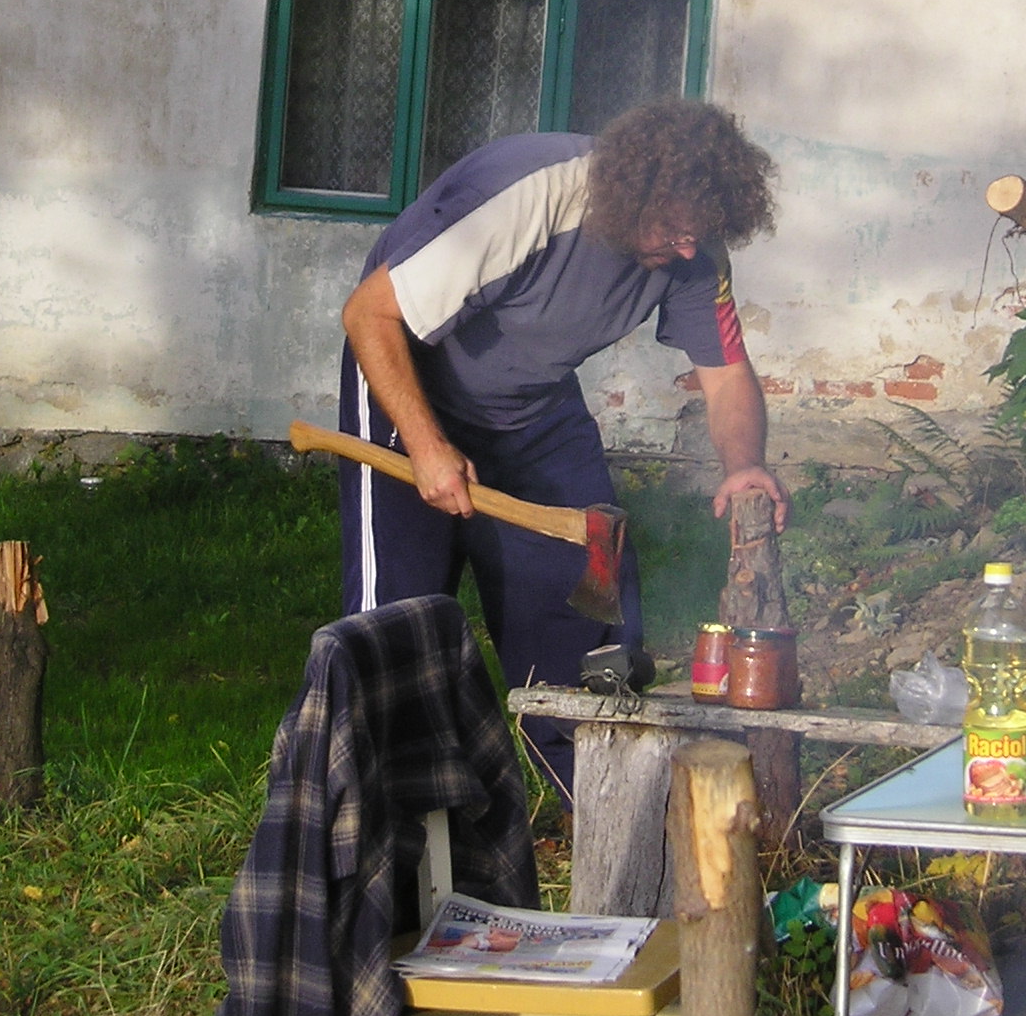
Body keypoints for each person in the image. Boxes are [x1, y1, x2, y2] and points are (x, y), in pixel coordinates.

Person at [337, 98, 789, 795]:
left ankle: (600, 806)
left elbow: (727, 373)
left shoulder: (695, 245)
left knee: (590, 595)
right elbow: (368, 313)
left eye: (700, 233)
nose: (687, 249)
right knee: (398, 616)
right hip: (409, 379)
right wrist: (427, 447)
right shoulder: (529, 196)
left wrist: (744, 465)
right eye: (674, 229)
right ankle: (376, 806)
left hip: (533, 402)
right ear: (632, 194)